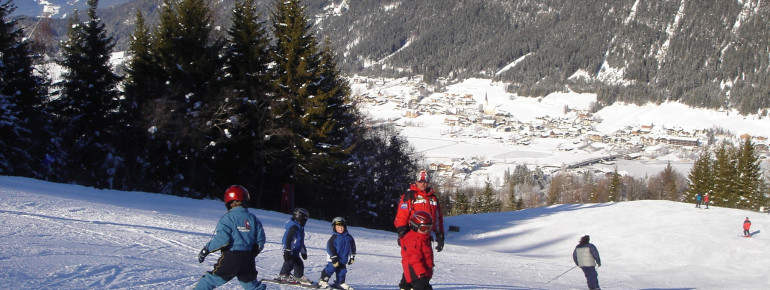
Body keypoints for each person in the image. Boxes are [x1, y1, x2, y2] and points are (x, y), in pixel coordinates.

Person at [194, 185, 267, 290]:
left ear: (228, 201)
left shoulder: (228, 218)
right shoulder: (253, 219)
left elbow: (222, 239)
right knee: (251, 285)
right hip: (248, 259)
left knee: (211, 279)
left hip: (232, 257)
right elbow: (260, 241)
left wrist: (206, 250)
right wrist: (252, 253)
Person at [394, 170, 445, 290]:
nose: (423, 184)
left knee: (425, 259)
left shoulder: (433, 198)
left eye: (425, 181)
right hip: (412, 234)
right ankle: (415, 284)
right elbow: (402, 214)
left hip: (426, 235)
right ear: (416, 181)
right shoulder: (410, 196)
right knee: (413, 260)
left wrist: (440, 234)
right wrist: (402, 231)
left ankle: (406, 285)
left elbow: (437, 218)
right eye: (420, 181)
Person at [318, 217, 357, 290]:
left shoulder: (349, 237)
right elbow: (330, 248)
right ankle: (323, 280)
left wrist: (352, 257)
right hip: (333, 258)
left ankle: (340, 282)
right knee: (330, 268)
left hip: (343, 258)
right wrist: (333, 258)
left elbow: (352, 248)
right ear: (334, 227)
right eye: (338, 227)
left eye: (342, 227)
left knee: (342, 271)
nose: (340, 229)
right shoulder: (334, 237)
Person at [400, 211, 435, 290]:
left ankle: (406, 287)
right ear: (415, 226)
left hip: (419, 271)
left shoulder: (424, 238)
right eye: (424, 228)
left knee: (407, 285)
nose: (426, 231)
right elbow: (414, 259)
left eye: (429, 228)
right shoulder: (414, 240)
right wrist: (421, 274)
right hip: (417, 272)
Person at [278, 208, 312, 285]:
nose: (305, 221)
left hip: (295, 251)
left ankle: (298, 276)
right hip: (290, 249)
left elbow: (300, 242)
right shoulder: (294, 227)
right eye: (304, 219)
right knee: (290, 262)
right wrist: (287, 250)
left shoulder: (300, 228)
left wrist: (303, 252)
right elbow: (288, 239)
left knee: (299, 263)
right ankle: (284, 275)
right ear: (300, 218)